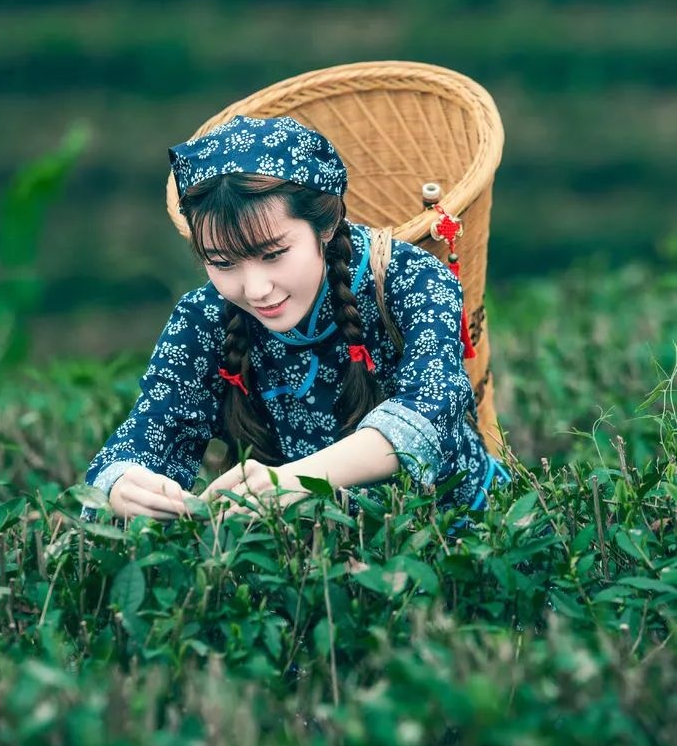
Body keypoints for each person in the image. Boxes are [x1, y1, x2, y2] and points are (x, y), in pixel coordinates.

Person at [81, 114, 510, 527]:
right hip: (313, 562)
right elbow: (152, 428)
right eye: (222, 263)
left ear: (325, 225)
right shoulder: (204, 317)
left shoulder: (409, 278)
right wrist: (123, 484)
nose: (255, 289)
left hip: (465, 533)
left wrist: (290, 480)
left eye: (273, 254)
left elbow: (431, 412)